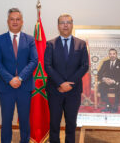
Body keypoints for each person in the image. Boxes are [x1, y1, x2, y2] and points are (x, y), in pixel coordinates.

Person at [0, 8, 38, 143]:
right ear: (8, 21)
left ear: (22, 22)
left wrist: (20, 78)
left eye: (18, 19)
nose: (15, 22)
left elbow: (34, 60)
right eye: (12, 19)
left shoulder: (29, 39)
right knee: (6, 119)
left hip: (24, 86)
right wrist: (10, 79)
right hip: (6, 87)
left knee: (24, 119)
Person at [44, 14, 89, 143]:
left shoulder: (81, 44)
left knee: (71, 124)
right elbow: (48, 66)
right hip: (54, 90)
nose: (65, 25)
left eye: (68, 22)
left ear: (72, 24)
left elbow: (84, 66)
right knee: (54, 123)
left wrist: (70, 84)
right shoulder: (50, 44)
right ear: (58, 26)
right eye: (62, 22)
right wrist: (61, 83)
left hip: (73, 91)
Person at [98, 48, 120, 113]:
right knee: (101, 86)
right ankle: (108, 106)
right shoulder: (105, 63)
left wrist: (114, 81)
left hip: (118, 81)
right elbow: (99, 74)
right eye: (110, 54)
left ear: (116, 54)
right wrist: (104, 79)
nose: (112, 55)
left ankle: (115, 107)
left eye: (114, 54)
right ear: (109, 55)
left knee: (118, 86)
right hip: (107, 81)